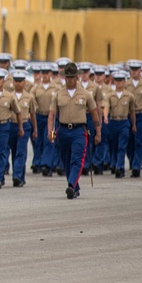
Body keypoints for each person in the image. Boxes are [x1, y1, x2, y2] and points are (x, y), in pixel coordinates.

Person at [48, 62, 102, 199]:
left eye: (72, 77)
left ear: (77, 77)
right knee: (66, 160)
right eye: (67, 77)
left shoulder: (86, 95)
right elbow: (52, 115)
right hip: (63, 131)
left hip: (79, 131)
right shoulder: (58, 95)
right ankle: (75, 187)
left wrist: (98, 131)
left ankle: (71, 185)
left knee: (77, 159)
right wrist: (50, 131)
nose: (70, 79)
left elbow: (94, 114)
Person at [0, 68, 22, 189]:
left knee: (0, 151)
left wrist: (20, 128)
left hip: (4, 126)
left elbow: (18, 112)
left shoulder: (9, 96)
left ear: (3, 80)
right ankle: (0, 176)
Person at [105, 70, 137, 179]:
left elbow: (132, 111)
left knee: (122, 147)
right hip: (113, 122)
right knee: (113, 146)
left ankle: (120, 167)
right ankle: (115, 164)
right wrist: (105, 117)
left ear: (124, 82)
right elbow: (106, 107)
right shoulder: (110, 95)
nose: (118, 83)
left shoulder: (129, 96)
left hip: (124, 122)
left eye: (121, 80)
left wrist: (134, 124)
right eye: (117, 80)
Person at [10, 70, 36, 187]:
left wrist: (35, 130)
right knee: (15, 151)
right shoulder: (9, 96)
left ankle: (17, 175)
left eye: (20, 81)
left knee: (21, 151)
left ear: (24, 82)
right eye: (16, 81)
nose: (18, 83)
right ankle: (21, 176)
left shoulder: (29, 97)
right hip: (12, 125)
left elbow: (33, 114)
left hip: (25, 125)